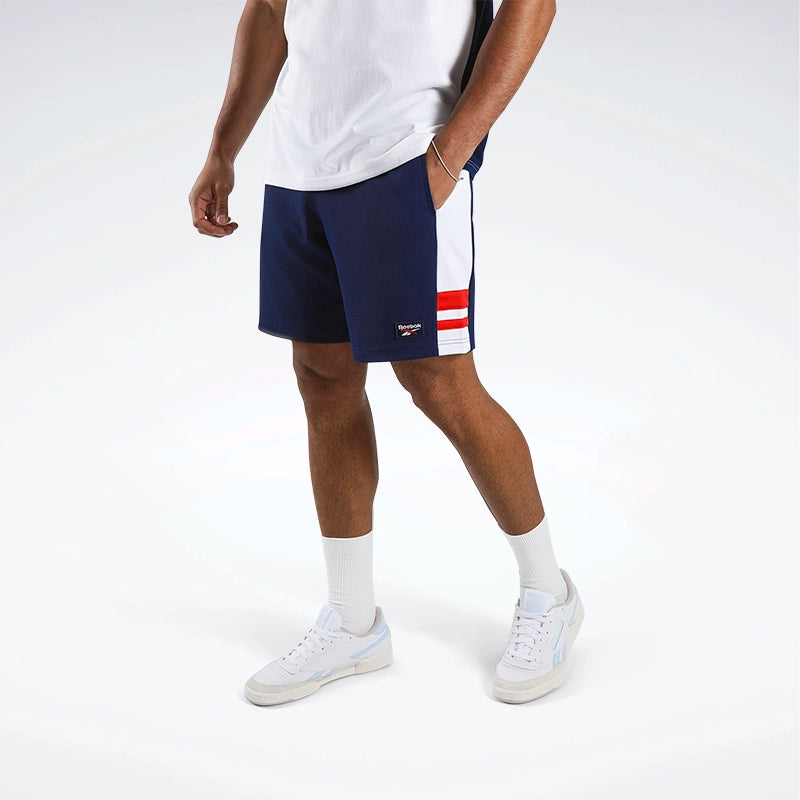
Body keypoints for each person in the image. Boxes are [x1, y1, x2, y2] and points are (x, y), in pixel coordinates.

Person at [188, 0, 584, 706]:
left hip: (406, 160)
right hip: (301, 166)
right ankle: (352, 621)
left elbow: (533, 5)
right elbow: (270, 9)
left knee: (438, 381)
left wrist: (452, 152)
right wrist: (223, 148)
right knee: (322, 379)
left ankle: (548, 593)